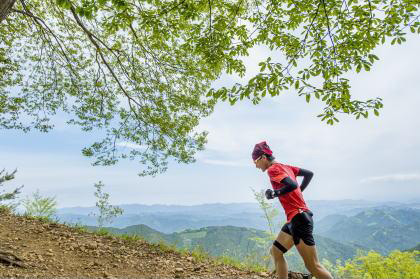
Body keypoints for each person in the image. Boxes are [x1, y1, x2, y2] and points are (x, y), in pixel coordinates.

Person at [252, 141, 333, 279]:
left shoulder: (273, 169)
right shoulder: (285, 167)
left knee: (313, 266)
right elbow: (309, 174)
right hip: (294, 219)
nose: (255, 165)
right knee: (276, 251)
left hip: (299, 219)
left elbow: (292, 184)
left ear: (263, 157)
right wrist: (298, 191)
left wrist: (274, 193)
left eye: (255, 161)